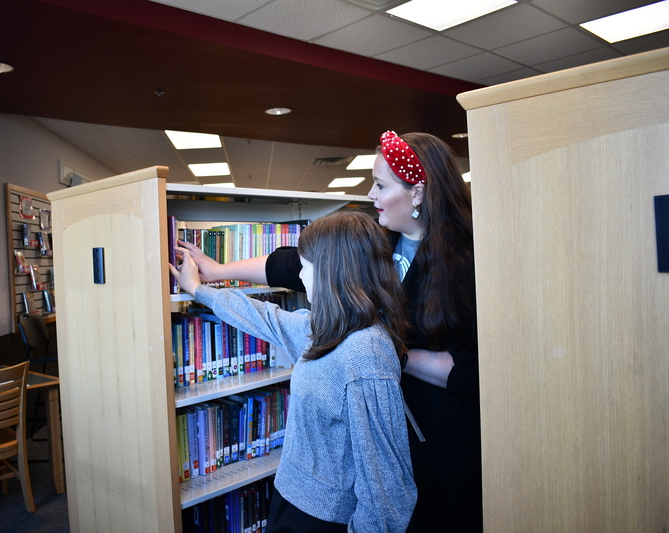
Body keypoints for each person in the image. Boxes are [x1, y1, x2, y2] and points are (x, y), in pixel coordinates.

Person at [178, 131, 480, 533]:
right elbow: (288, 270)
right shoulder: (372, 242)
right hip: (329, 471)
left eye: (381, 185)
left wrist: (389, 354)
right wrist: (212, 279)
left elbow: (476, 369)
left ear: (418, 193)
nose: (371, 195)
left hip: (432, 431)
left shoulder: (465, 267)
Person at [169, 209, 417, 533]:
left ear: (333, 273)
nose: (300, 277)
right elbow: (262, 316)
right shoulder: (324, 328)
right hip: (289, 498)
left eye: (307, 267)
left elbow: (388, 492)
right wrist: (199, 289)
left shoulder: (366, 353)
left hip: (324, 519)